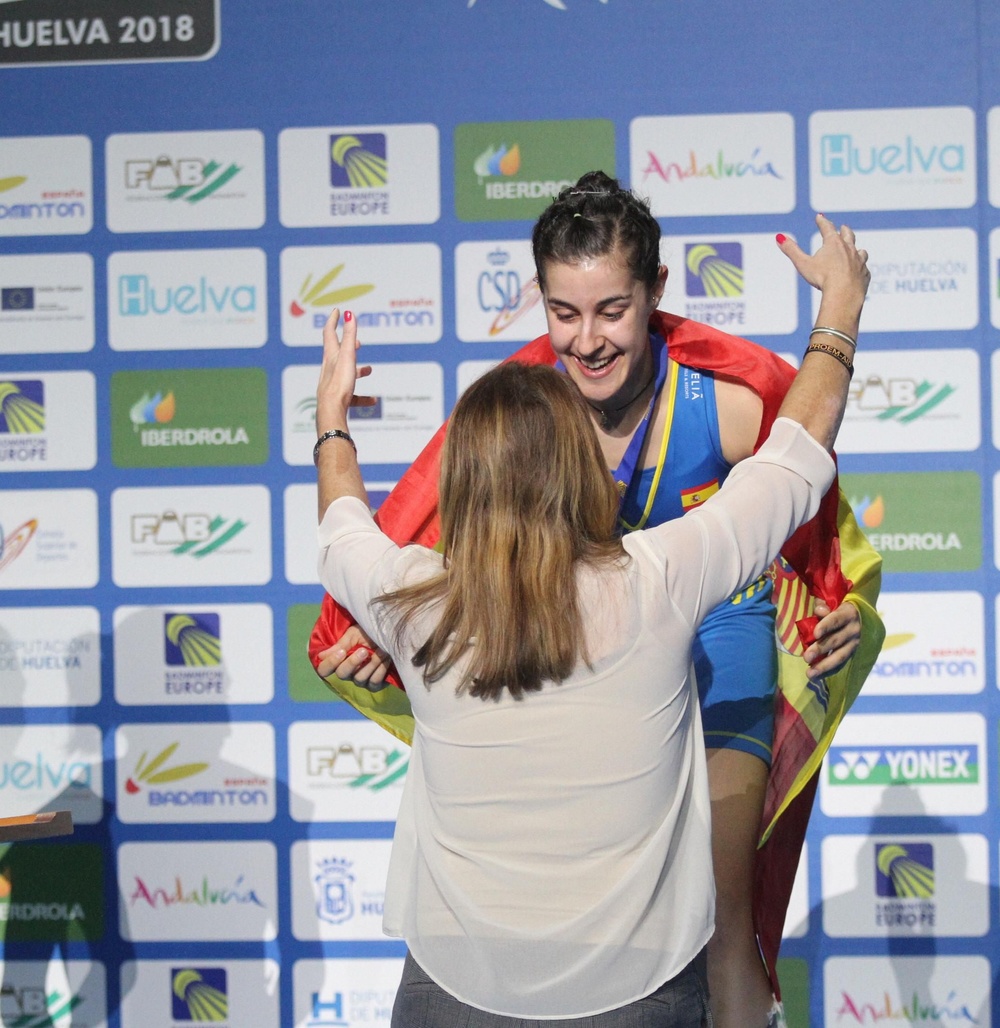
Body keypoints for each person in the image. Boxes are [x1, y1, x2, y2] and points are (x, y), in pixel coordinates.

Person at [311, 175, 884, 1025]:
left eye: (612, 310)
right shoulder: (525, 415)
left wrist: (832, 605)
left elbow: (802, 511)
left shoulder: (721, 402)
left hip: (718, 635)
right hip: (586, 625)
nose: (585, 341)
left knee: (724, 907)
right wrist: (378, 640)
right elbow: (789, 472)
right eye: (563, 313)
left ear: (656, 294)